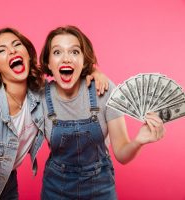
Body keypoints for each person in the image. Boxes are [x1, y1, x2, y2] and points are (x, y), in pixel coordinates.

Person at [0, 27, 108, 200]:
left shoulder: (41, 95)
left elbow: (66, 79)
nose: (12, 50)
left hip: (7, 185)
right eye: (2, 50)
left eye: (16, 45)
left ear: (28, 55)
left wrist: (93, 72)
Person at [40, 25, 166, 200]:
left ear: (84, 61)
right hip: (55, 188)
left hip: (100, 186)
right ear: (48, 63)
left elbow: (122, 154)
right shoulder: (39, 97)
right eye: (57, 52)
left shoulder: (104, 91)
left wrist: (139, 141)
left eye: (75, 52)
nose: (66, 58)